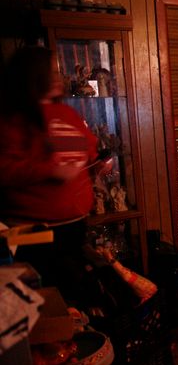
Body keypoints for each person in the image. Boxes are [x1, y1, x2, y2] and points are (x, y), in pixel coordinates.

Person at [0, 46, 103, 298]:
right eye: (52, 71)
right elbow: (4, 170)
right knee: (42, 294)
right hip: (31, 228)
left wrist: (98, 164)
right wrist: (50, 170)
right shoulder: (12, 120)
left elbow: (88, 149)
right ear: (32, 76)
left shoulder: (68, 113)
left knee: (73, 293)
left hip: (73, 225)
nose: (60, 76)